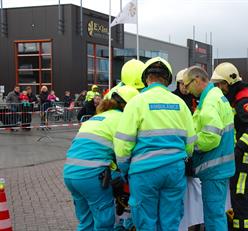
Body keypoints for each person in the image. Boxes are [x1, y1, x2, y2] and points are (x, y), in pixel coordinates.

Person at [114, 57, 196, 230]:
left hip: (143, 172)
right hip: (174, 170)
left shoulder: (136, 102)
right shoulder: (180, 103)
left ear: (146, 79)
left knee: (145, 222)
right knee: (170, 221)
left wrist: (125, 169)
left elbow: (123, 144)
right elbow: (190, 143)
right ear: (168, 80)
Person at [63, 85, 139, 231]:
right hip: (92, 176)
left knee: (86, 222)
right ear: (128, 105)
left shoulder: (96, 118)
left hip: (70, 173)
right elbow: (125, 151)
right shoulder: (122, 119)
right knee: (104, 223)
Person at [211, 62, 248, 231]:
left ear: (228, 83)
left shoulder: (243, 100)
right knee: (240, 193)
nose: (218, 88)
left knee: (240, 193)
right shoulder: (237, 97)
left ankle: (243, 228)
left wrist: (239, 148)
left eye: (219, 84)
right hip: (242, 154)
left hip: (245, 155)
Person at [182, 66, 235, 230]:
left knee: (213, 216)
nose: (187, 90)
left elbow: (211, 136)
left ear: (197, 80)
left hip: (214, 168)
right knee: (216, 213)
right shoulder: (216, 96)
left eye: (187, 85)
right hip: (219, 166)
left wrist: (190, 146)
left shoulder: (210, 102)